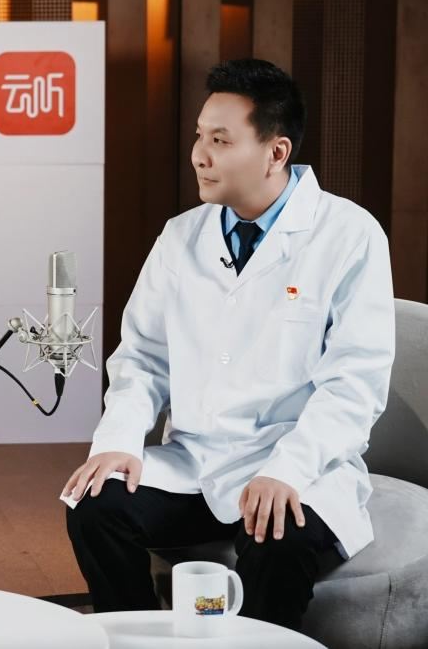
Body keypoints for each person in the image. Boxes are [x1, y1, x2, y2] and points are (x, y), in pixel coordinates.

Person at [63, 58, 395, 630]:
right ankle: (137, 638)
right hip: (195, 461)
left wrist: (288, 469)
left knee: (278, 537)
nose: (199, 154)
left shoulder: (349, 234)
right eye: (199, 136)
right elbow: (143, 358)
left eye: (220, 140)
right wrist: (119, 440)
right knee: (94, 506)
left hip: (295, 461)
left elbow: (354, 383)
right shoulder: (180, 236)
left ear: (276, 152)